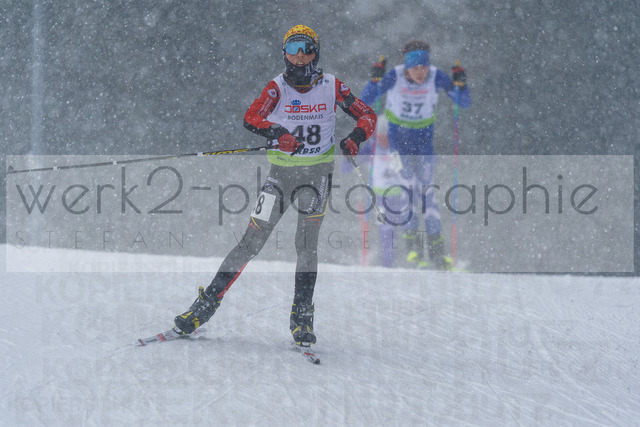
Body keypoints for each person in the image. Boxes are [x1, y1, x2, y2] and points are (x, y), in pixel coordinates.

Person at [172, 25, 377, 347]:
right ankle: (205, 306)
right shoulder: (277, 88)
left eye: (306, 48)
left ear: (316, 52)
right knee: (250, 243)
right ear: (284, 53)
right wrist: (277, 133)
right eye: (293, 48)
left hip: (317, 179)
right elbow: (251, 117)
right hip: (280, 178)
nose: (299, 55)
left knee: (306, 246)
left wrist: (355, 138)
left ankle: (302, 316)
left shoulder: (332, 86)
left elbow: (367, 115)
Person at [360, 40, 471, 269]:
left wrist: (461, 84)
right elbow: (366, 99)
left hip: (423, 147)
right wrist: (375, 80)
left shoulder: (436, 76)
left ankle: (437, 253)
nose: (421, 73)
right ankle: (413, 249)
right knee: (408, 191)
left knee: (428, 196)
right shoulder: (395, 75)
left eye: (424, 68)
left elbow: (464, 102)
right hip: (398, 148)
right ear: (407, 67)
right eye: (415, 68)